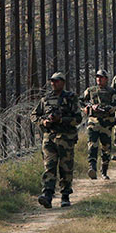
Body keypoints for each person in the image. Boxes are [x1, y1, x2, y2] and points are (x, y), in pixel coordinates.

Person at [31, 72, 82, 208]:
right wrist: (43, 122)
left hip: (66, 138)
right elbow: (34, 115)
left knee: (66, 167)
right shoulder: (46, 99)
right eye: (52, 81)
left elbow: (78, 118)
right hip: (50, 138)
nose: (54, 83)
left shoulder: (71, 98)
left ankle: (65, 196)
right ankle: (47, 194)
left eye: (57, 81)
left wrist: (62, 119)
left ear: (63, 82)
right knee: (49, 166)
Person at [81, 69, 116, 180]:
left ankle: (104, 171)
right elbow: (81, 101)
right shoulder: (91, 90)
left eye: (101, 77)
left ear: (106, 79)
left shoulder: (112, 91)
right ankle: (92, 168)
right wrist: (88, 107)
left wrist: (108, 108)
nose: (99, 79)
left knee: (106, 148)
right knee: (92, 145)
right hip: (93, 122)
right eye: (97, 77)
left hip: (106, 124)